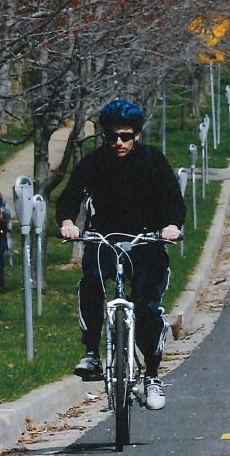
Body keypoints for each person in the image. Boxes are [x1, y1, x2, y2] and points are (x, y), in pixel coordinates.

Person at [56, 99, 185, 410]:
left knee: (147, 309)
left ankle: (152, 376)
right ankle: (91, 353)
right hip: (105, 237)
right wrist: (68, 222)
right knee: (92, 283)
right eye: (112, 136)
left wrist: (171, 226)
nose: (118, 142)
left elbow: (173, 200)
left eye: (125, 136)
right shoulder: (95, 162)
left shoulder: (154, 161)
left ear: (137, 135)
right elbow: (70, 196)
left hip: (146, 240)